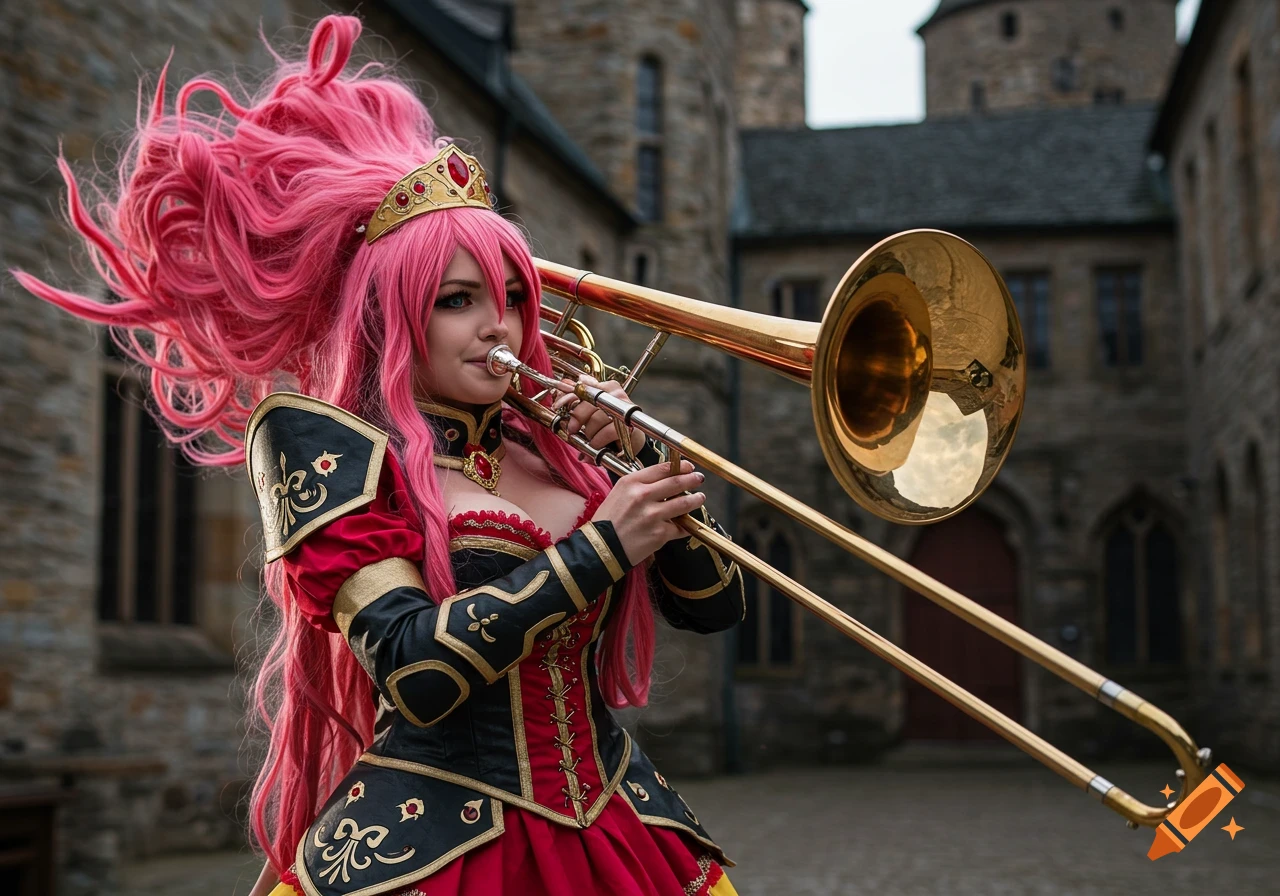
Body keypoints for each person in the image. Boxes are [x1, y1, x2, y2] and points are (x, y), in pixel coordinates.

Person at [14, 15, 745, 896]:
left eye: (513, 297)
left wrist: (641, 460)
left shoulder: (555, 447)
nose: (499, 326)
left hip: (624, 829)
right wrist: (605, 545)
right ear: (395, 313)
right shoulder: (326, 447)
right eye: (457, 300)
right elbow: (414, 670)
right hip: (433, 852)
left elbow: (715, 605)